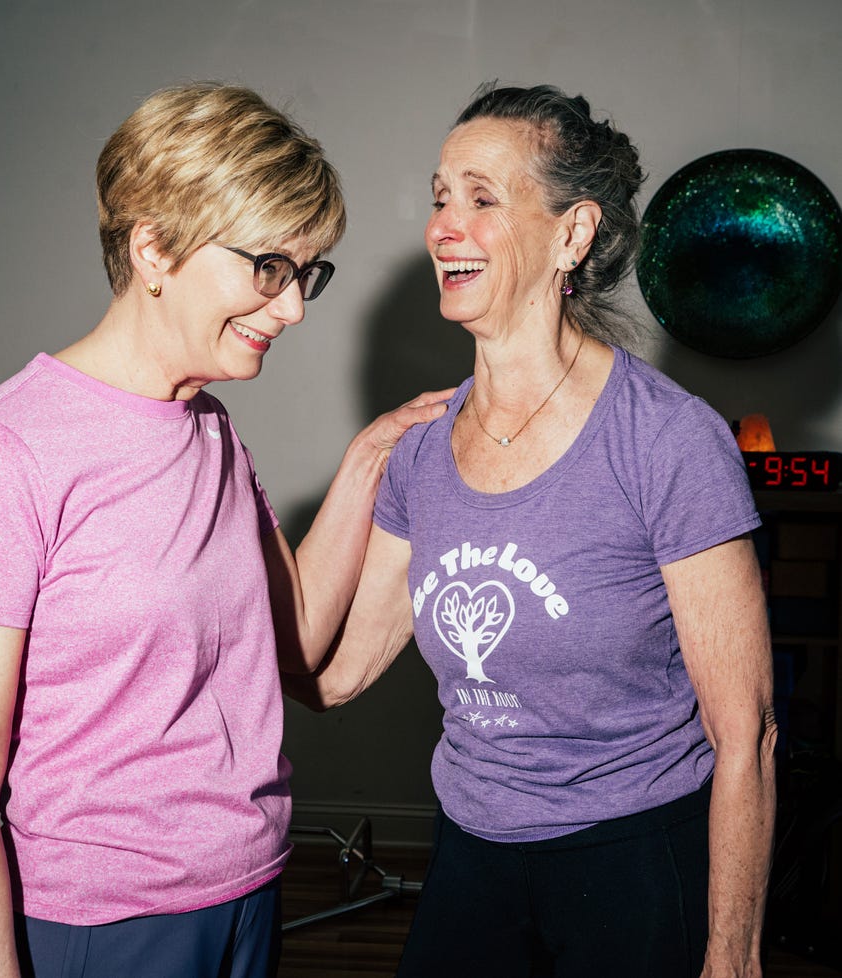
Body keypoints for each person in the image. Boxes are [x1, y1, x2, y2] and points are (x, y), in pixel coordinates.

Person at [0, 82, 448, 978]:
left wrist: (369, 460)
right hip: (107, 925)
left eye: (305, 274)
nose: (292, 308)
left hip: (249, 889)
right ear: (153, 246)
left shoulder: (209, 430)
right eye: (268, 267)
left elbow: (298, 635)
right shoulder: (2, 452)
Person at [285, 84, 776, 978]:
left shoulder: (666, 440)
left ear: (572, 233)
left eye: (481, 197)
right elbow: (335, 673)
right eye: (439, 197)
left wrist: (732, 956)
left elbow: (745, 731)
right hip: (473, 852)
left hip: (628, 858)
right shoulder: (422, 449)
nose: (444, 226)